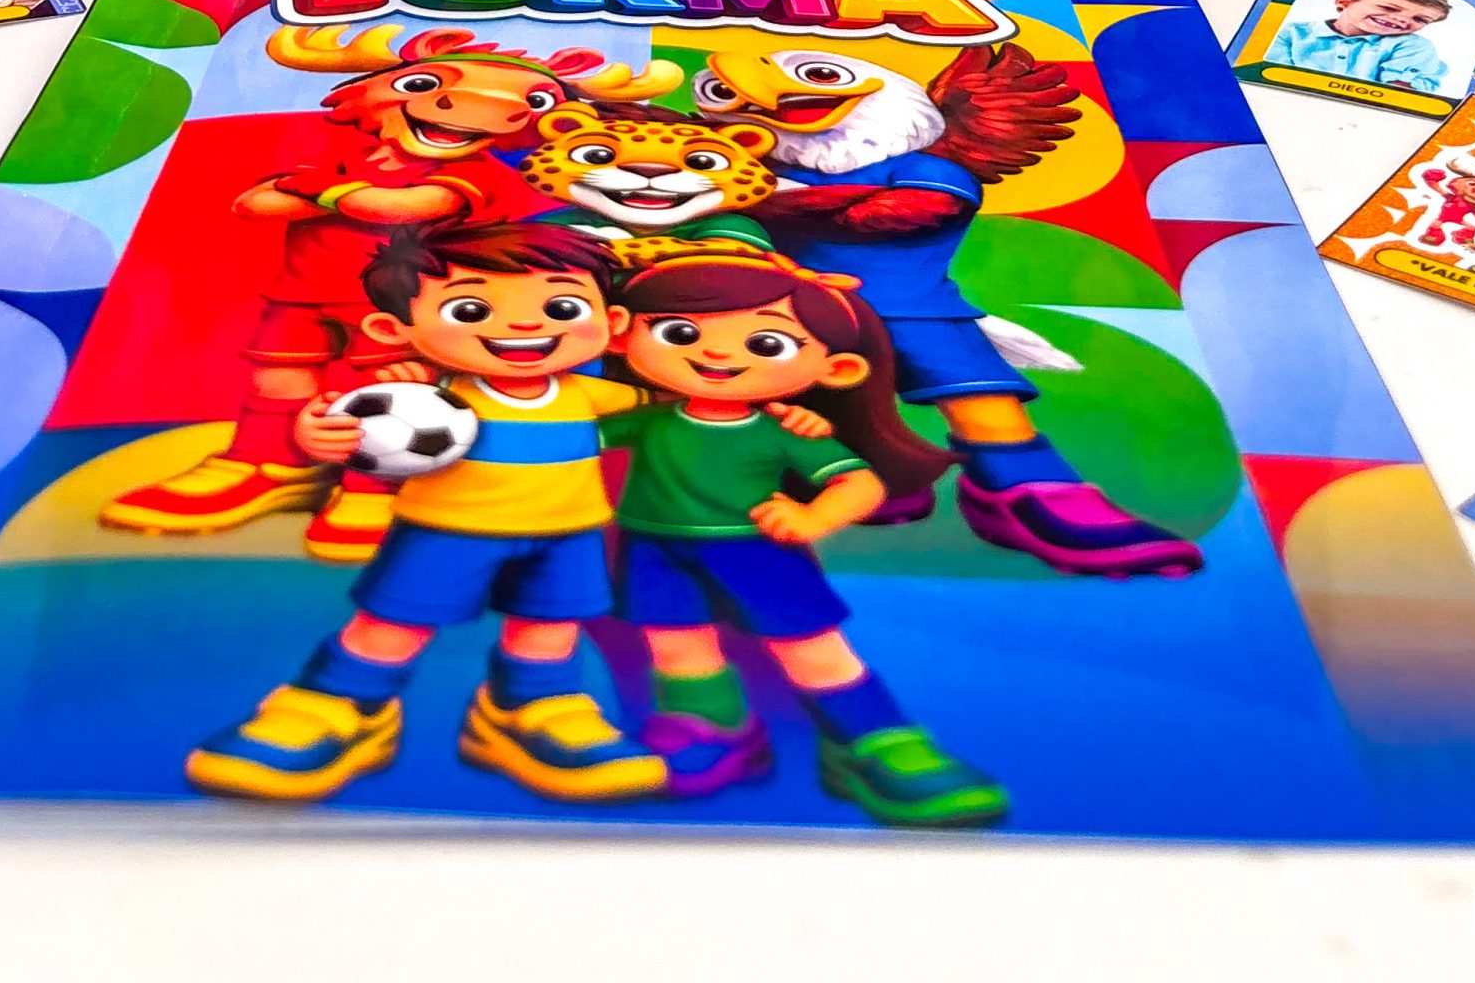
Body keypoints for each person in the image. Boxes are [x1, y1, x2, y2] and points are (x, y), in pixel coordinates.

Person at [185, 224, 667, 807]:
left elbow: (665, 405)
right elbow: (343, 427)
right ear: (393, 330)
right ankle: (338, 702)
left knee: (549, 624)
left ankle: (533, 707)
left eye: (561, 306)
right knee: (395, 621)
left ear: (612, 322)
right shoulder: (423, 398)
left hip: (566, 535)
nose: (523, 325)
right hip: (446, 531)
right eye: (470, 309)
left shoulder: (588, 395)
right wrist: (319, 432)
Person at [608, 253, 1007, 826]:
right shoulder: (650, 418)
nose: (716, 353)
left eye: (765, 344)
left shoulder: (784, 429)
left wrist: (814, 517)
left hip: (758, 549)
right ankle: (709, 730)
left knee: (811, 646)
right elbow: (569, 430)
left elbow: (858, 482)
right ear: (622, 336)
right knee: (675, 640)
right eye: (681, 333)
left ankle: (876, 740)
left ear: (836, 369)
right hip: (654, 546)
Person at [1264, 0, 1454, 94]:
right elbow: (1273, 77)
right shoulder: (1291, 33)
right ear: (1344, 2)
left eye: (1419, 19)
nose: (1402, 19)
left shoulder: (1415, 46)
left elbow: (1399, 93)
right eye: (1389, 8)